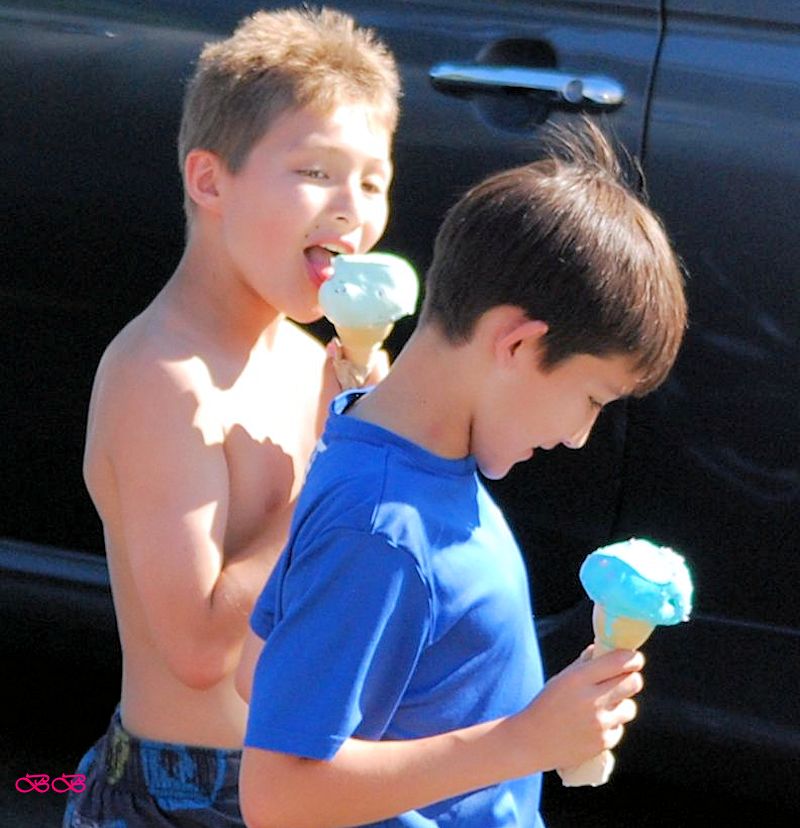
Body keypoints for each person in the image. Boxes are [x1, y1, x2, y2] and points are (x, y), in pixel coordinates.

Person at [236, 120, 688, 828]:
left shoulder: (395, 463)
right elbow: (278, 796)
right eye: (592, 399)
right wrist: (527, 739)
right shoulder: (383, 524)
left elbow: (257, 673)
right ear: (516, 342)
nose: (578, 436)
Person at [63, 7, 400, 827]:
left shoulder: (306, 361)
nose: (352, 208)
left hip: (305, 775)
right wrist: (338, 462)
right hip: (182, 794)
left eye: (373, 180)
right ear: (210, 181)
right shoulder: (163, 377)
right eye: (317, 172)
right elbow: (198, 648)